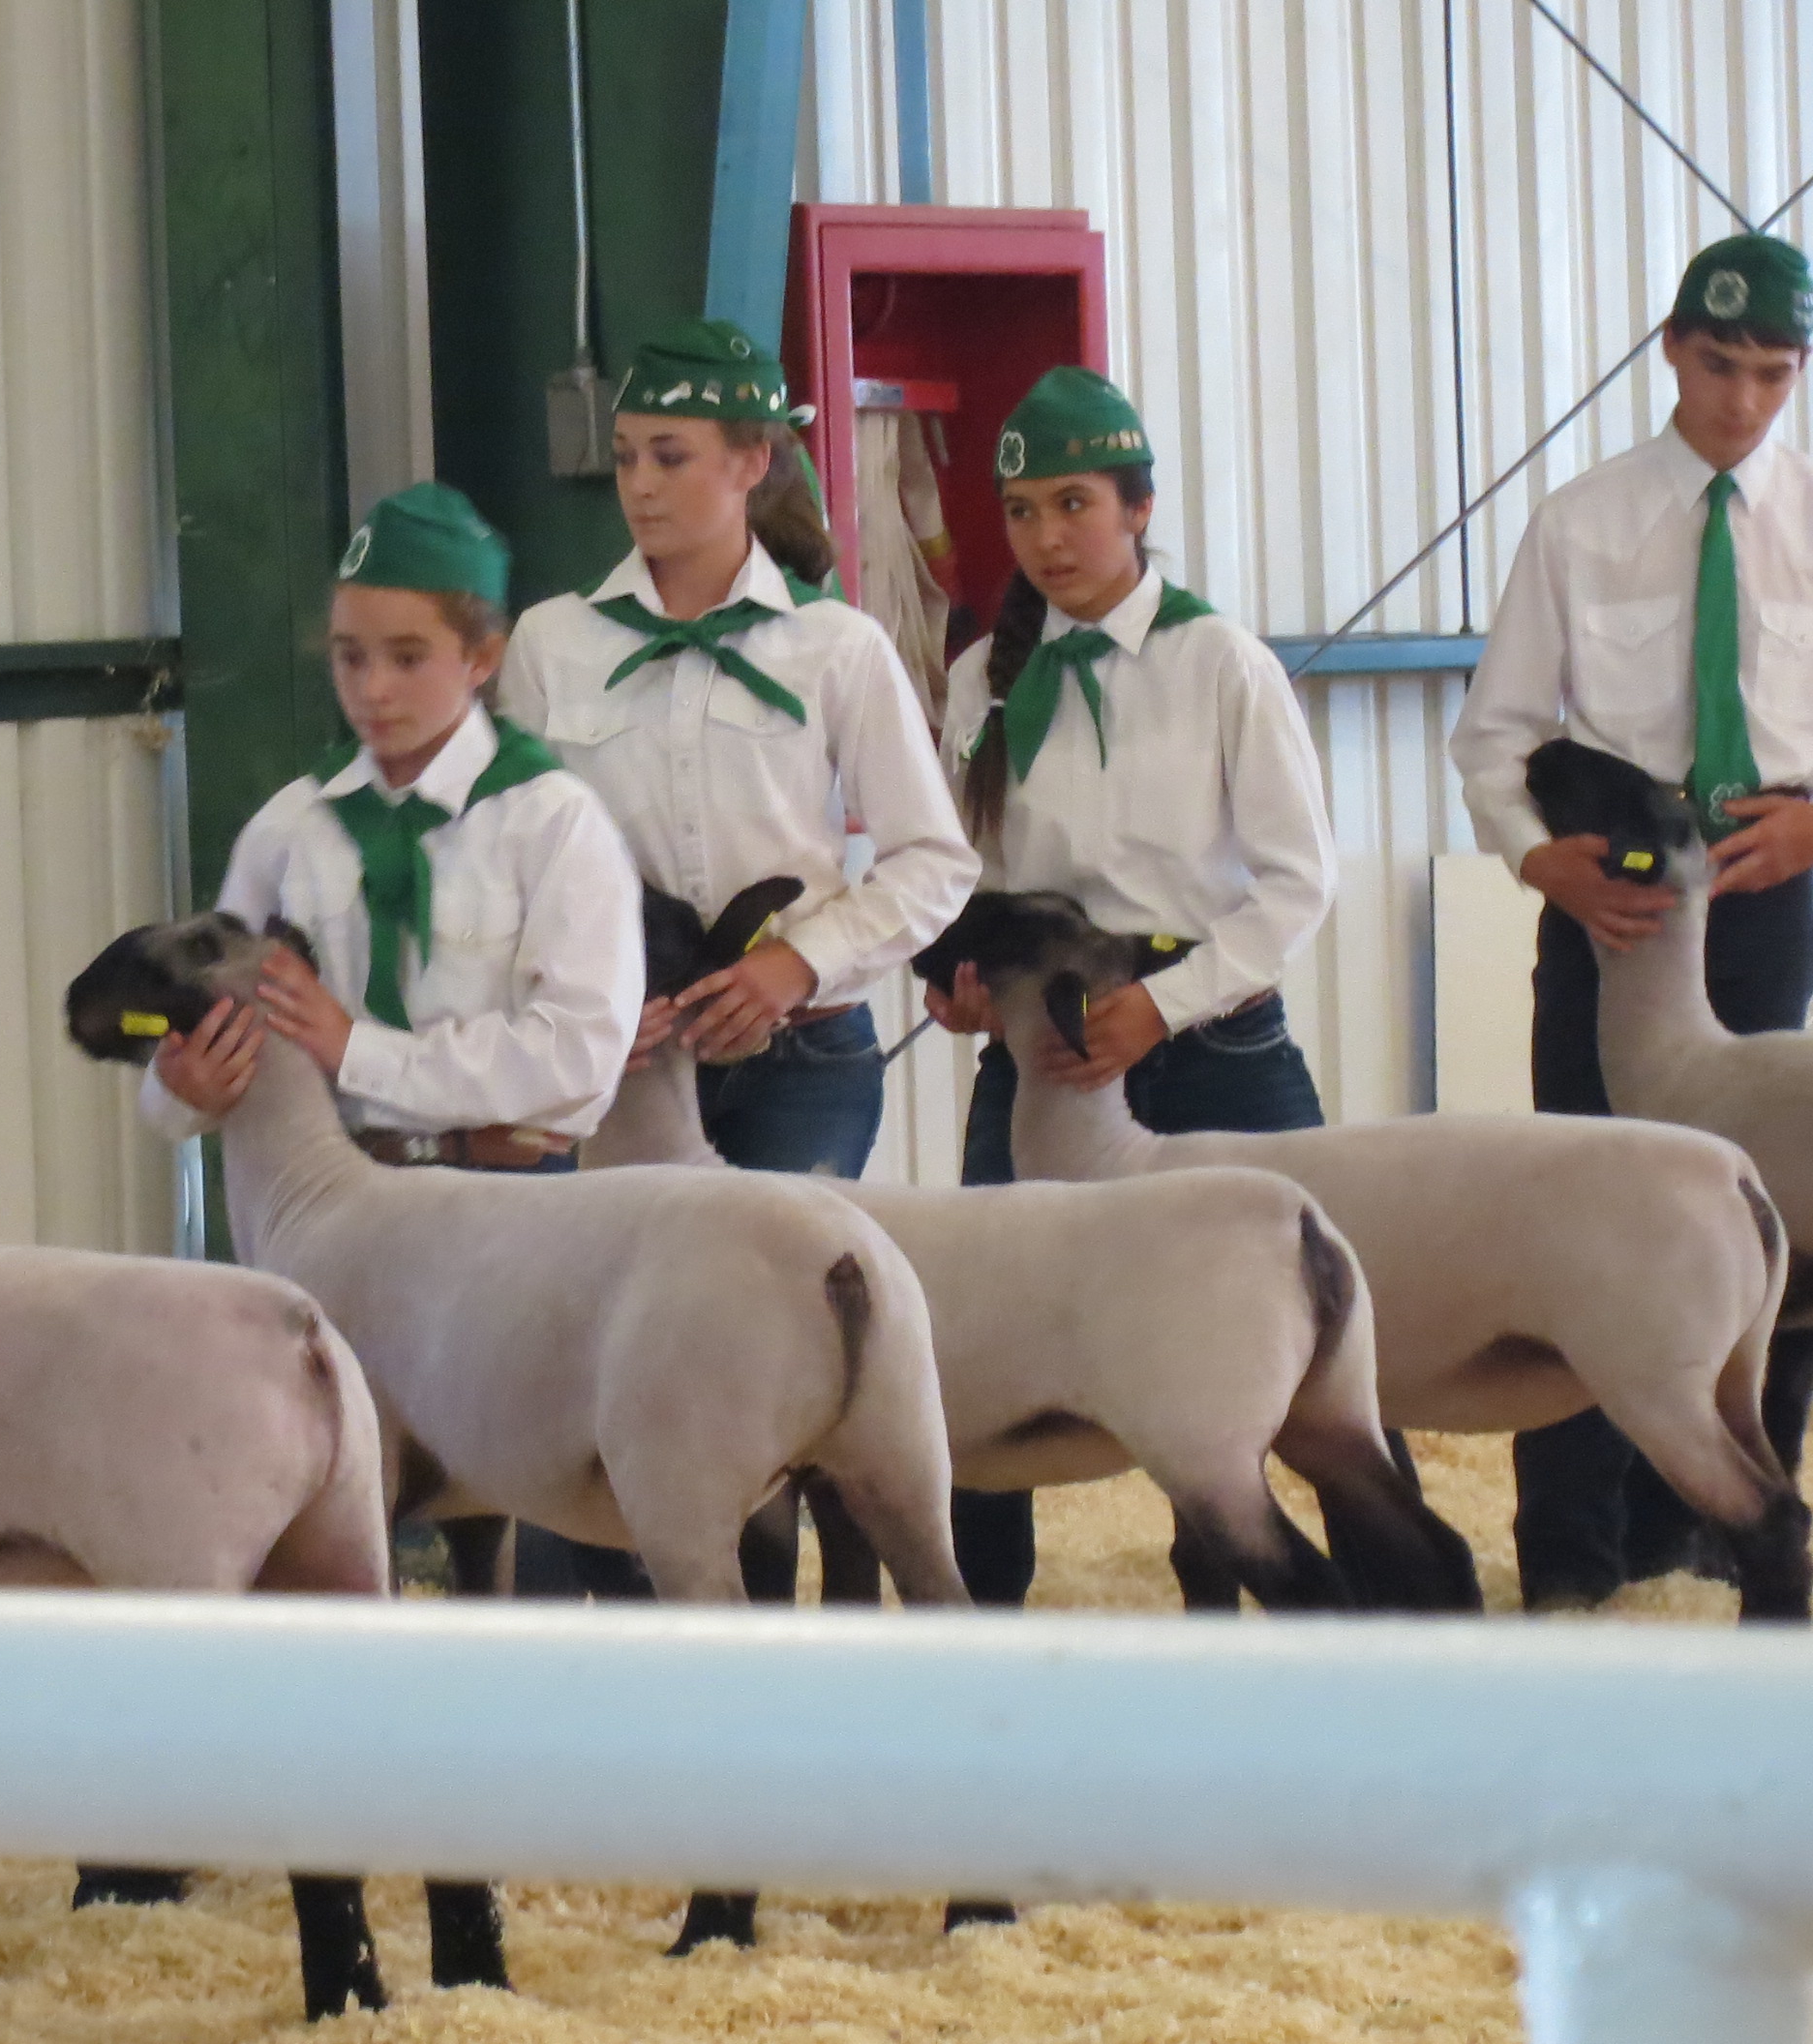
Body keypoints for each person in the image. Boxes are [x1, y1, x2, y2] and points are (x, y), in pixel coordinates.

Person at [499, 316, 979, 1600]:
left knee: (770, 1347)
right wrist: (572, 995)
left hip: (800, 1056)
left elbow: (936, 862)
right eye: (626, 459)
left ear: (753, 460)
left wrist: (794, 967)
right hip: (614, 1066)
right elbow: (500, 858)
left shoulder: (838, 648)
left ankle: (815, 1665)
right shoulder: (553, 643)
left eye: (670, 455)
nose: (642, 485)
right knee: (597, 1354)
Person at [927, 366, 1339, 1608]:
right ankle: (974, 1623)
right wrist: (965, 989)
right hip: (1043, 1047)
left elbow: (1294, 883)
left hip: (1209, 1037)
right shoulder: (977, 681)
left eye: (1074, 505)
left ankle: (1321, 1608)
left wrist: (1162, 1005)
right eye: (1023, 516)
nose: (1048, 539)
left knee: (1296, 1338)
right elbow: (973, 878)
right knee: (981, 1337)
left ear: (1138, 507)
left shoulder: (1223, 663)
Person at [1450, 231, 1813, 1611]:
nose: (1740, 400)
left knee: (1759, 1235)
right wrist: (1542, 864)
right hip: (1613, 910)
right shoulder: (1582, 521)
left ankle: (1725, 1540)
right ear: (1670, 348)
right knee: (1583, 1222)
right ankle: (1572, 1564)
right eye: (1718, 365)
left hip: (1773, 899)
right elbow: (1495, 739)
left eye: (1772, 374)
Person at [143, 478, 641, 1170]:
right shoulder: (291, 828)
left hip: (510, 1208)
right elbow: (206, 1019)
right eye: (350, 656)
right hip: (325, 1201)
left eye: (408, 658)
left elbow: (578, 1058)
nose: (372, 689)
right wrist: (182, 1089)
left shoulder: (551, 823)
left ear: (483, 659)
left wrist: (356, 1050)